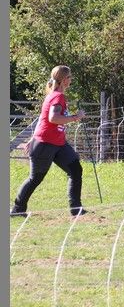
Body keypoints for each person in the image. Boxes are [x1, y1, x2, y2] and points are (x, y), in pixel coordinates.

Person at [11, 65, 87, 217]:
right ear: (64, 80)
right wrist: (75, 117)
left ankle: (76, 209)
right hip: (45, 145)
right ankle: (17, 210)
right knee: (35, 179)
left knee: (75, 170)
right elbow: (53, 118)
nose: (71, 80)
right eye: (70, 77)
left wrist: (32, 137)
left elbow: (43, 119)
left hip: (59, 144)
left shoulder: (54, 96)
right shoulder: (57, 97)